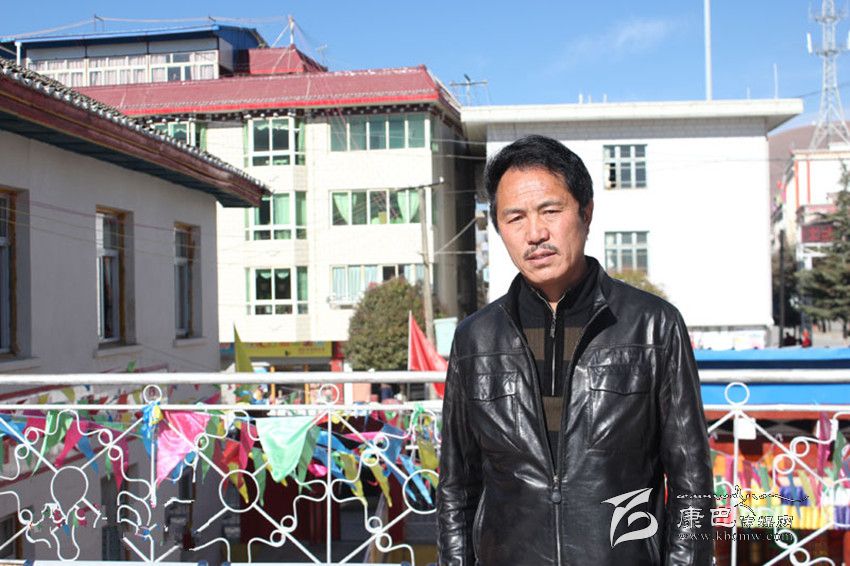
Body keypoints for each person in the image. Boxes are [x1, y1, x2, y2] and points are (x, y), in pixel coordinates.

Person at [437, 135, 713, 565]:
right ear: (499, 228)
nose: (535, 234)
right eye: (515, 217)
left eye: (550, 211)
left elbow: (691, 481)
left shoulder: (653, 326)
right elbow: (457, 486)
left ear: (586, 212)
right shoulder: (476, 340)